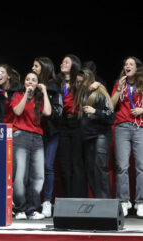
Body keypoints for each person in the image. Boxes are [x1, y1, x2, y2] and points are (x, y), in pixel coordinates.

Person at [11, 71, 51, 220]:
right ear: (24, 83)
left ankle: (32, 209)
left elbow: (47, 112)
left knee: (37, 175)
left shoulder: (39, 99)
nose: (30, 82)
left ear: (37, 84)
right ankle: (20, 209)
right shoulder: (17, 96)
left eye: (33, 80)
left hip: (37, 138)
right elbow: (17, 110)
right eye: (27, 79)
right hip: (20, 135)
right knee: (20, 175)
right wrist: (25, 95)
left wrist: (45, 91)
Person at [75, 69, 114, 199]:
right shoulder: (81, 95)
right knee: (90, 169)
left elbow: (111, 116)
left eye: (81, 82)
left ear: (88, 80)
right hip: (88, 136)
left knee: (100, 166)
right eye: (77, 81)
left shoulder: (100, 92)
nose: (78, 84)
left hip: (101, 134)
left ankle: (105, 200)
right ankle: (98, 199)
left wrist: (95, 111)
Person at [111, 56, 143, 217]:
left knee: (141, 166)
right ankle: (123, 201)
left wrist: (142, 110)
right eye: (125, 64)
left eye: (131, 64)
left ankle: (140, 202)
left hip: (139, 127)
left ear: (137, 68)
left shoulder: (142, 83)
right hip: (122, 126)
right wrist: (118, 90)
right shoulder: (119, 83)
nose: (127, 66)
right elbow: (111, 104)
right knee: (122, 166)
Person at [32, 57, 63, 217]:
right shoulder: (32, 85)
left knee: (47, 165)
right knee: (34, 169)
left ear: (43, 68)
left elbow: (57, 113)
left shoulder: (53, 86)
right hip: (35, 132)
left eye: (36, 66)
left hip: (51, 133)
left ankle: (47, 202)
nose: (33, 68)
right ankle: (33, 203)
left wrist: (45, 94)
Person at [57, 54, 87, 198]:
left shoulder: (79, 81)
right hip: (62, 124)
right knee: (64, 164)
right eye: (62, 61)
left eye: (66, 62)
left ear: (74, 65)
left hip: (77, 122)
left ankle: (78, 199)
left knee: (76, 163)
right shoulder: (57, 82)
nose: (63, 63)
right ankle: (67, 199)